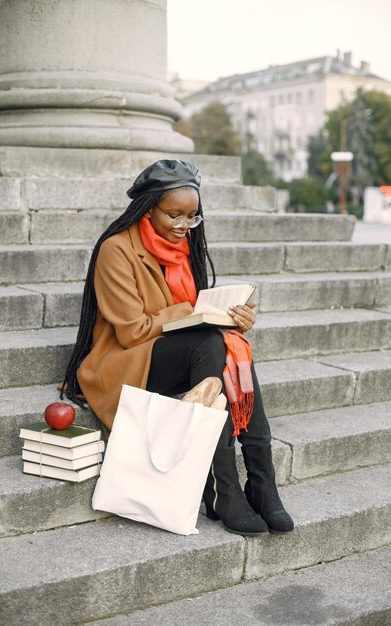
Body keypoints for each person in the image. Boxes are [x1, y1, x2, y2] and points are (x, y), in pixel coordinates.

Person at [62, 159, 293, 537]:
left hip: (182, 354)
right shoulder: (116, 250)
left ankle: (262, 483)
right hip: (127, 361)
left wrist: (234, 318)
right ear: (148, 208)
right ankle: (225, 489)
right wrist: (194, 312)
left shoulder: (185, 247)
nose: (183, 226)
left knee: (229, 344)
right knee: (211, 342)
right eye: (174, 215)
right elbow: (133, 331)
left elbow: (194, 323)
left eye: (192, 217)